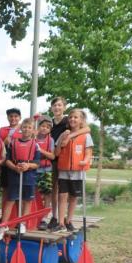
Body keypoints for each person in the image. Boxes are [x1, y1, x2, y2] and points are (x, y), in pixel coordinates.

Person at [46, 97, 90, 230]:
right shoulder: (49, 122)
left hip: (66, 161)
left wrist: (69, 136)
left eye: (60, 105)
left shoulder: (68, 120)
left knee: (66, 193)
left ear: (64, 107)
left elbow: (86, 129)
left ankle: (66, 219)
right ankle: (55, 217)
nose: (57, 108)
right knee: (54, 190)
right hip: (52, 158)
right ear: (51, 107)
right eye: (54, 105)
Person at [0, 118, 41, 240]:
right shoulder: (13, 143)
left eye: (29, 128)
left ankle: (22, 223)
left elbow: (37, 163)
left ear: (33, 130)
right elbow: (7, 160)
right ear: (21, 129)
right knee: (10, 200)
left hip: (29, 177)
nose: (26, 129)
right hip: (15, 175)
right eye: (24, 127)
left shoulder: (35, 145)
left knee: (27, 201)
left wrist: (28, 166)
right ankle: (4, 225)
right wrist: (15, 168)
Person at [54, 109, 94, 232]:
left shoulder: (86, 136)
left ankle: (68, 221)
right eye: (71, 117)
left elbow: (88, 153)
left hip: (78, 171)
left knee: (73, 197)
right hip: (64, 170)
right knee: (62, 196)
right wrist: (62, 140)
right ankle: (60, 223)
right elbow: (56, 153)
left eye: (76, 117)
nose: (72, 119)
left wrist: (85, 160)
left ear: (81, 120)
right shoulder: (64, 134)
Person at [34, 115, 56, 230]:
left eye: (47, 127)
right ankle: (34, 215)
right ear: (38, 127)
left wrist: (41, 150)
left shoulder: (50, 140)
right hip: (34, 169)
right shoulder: (33, 138)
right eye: (42, 126)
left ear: (49, 129)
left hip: (46, 170)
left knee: (47, 194)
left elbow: (52, 156)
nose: (44, 129)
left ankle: (44, 218)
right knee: (34, 194)